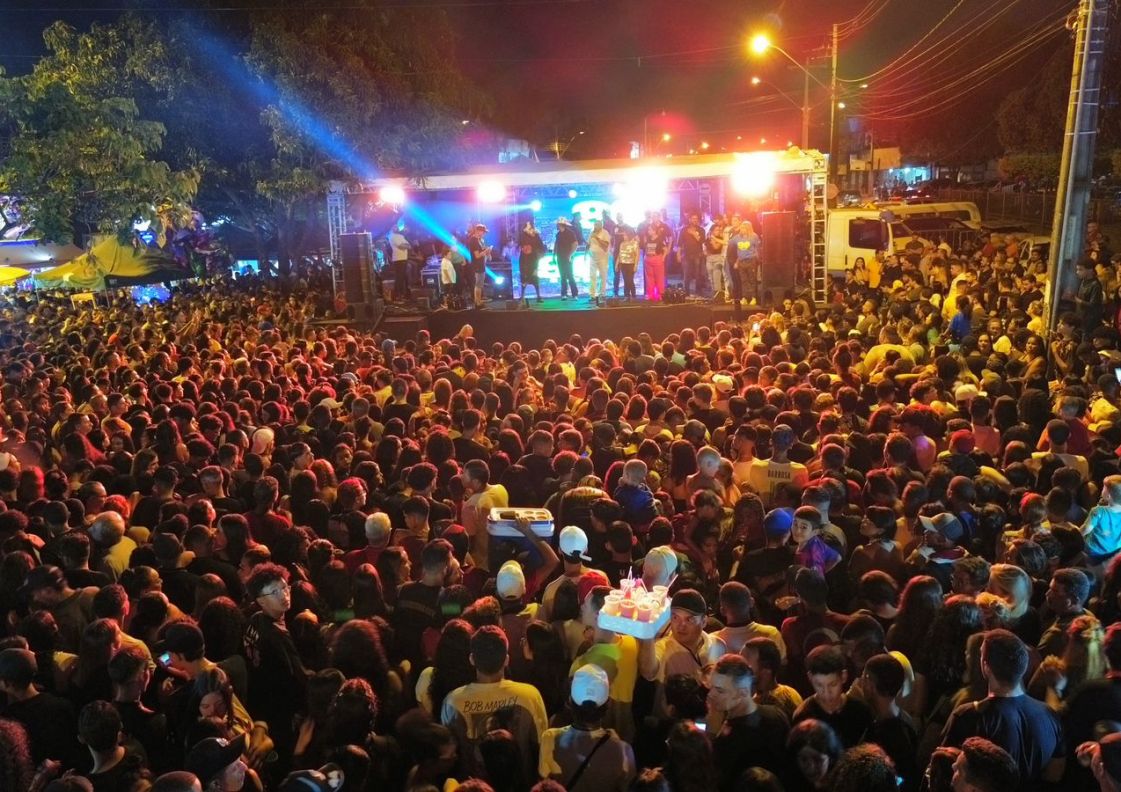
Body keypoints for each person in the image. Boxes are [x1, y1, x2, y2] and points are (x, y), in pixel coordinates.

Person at [941, 629, 1065, 785]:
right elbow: (1054, 773)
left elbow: (944, 768)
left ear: (986, 667)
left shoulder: (969, 716)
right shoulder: (1050, 714)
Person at [441, 625, 548, 780]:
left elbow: (448, 755)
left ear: (472, 659)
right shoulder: (529, 695)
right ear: (506, 660)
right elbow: (541, 748)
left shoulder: (453, 701)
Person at [538, 664, 636, 792]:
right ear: (607, 704)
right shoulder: (624, 752)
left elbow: (544, 786)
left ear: (570, 702)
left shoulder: (550, 739)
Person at [707, 654, 789, 791]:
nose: (711, 694)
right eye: (711, 687)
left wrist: (712, 734)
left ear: (743, 692)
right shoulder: (776, 715)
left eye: (720, 691)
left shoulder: (728, 738)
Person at [518, 220, 545, 306]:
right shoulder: (523, 236)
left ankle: (538, 296)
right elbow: (520, 245)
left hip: (533, 258)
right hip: (524, 259)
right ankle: (522, 297)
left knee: (535, 276)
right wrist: (524, 248)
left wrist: (540, 253)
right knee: (524, 277)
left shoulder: (536, 235)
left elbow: (541, 246)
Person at [467, 223, 493, 309]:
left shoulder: (480, 240)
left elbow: (482, 252)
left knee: (480, 284)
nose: (484, 234)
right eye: (483, 232)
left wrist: (487, 251)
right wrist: (486, 251)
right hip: (477, 265)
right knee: (478, 284)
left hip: (481, 264)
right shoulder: (473, 240)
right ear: (478, 231)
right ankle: (477, 302)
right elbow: (477, 255)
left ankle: (478, 300)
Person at [554, 218, 579, 300]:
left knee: (570, 275)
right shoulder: (558, 234)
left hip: (568, 257)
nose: (557, 226)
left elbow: (575, 244)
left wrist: (570, 255)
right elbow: (556, 245)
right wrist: (554, 256)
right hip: (560, 257)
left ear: (561, 225)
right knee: (562, 276)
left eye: (558, 224)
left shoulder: (570, 233)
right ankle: (564, 294)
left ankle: (575, 294)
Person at [588, 220, 612, 306]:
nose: (595, 226)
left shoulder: (605, 233)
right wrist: (586, 252)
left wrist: (597, 238)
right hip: (592, 257)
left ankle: (602, 294)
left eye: (597, 225)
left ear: (601, 226)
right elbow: (588, 243)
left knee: (603, 275)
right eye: (594, 224)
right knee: (592, 276)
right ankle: (592, 295)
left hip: (602, 258)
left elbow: (606, 245)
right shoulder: (591, 233)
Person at [388, 224, 411, 302]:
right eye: (394, 226)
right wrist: (406, 245)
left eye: (397, 227)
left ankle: (403, 295)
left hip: (403, 258)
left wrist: (406, 245)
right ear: (391, 228)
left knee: (404, 277)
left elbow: (409, 246)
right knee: (399, 278)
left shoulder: (400, 236)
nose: (397, 228)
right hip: (398, 259)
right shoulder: (392, 236)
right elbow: (402, 246)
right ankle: (398, 296)